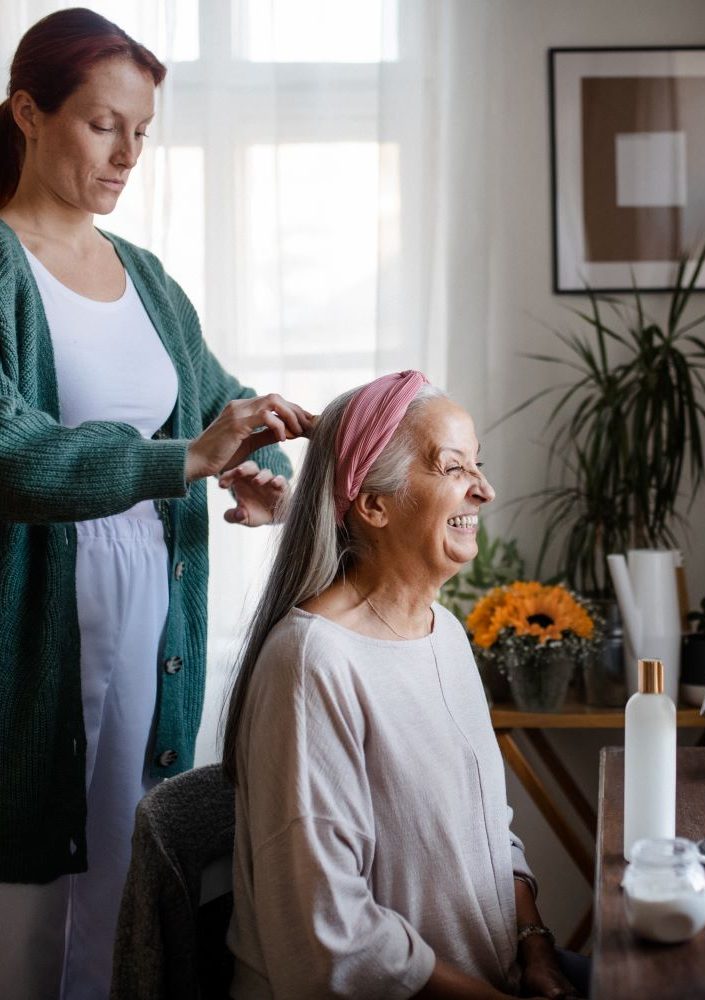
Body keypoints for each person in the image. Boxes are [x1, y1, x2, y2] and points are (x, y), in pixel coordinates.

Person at [0, 9, 311, 998]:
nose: (130, 152)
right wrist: (185, 458)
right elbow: (15, 457)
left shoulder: (146, 278)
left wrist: (262, 469)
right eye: (103, 125)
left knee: (124, 894)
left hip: (150, 623)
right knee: (29, 916)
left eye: (143, 130)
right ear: (26, 113)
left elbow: (219, 407)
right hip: (36, 638)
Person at [223, 371, 588, 999]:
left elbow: (487, 828)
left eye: (479, 465)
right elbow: (332, 940)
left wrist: (536, 947)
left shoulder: (443, 631)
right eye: (454, 469)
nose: (486, 490)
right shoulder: (313, 664)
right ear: (373, 504)